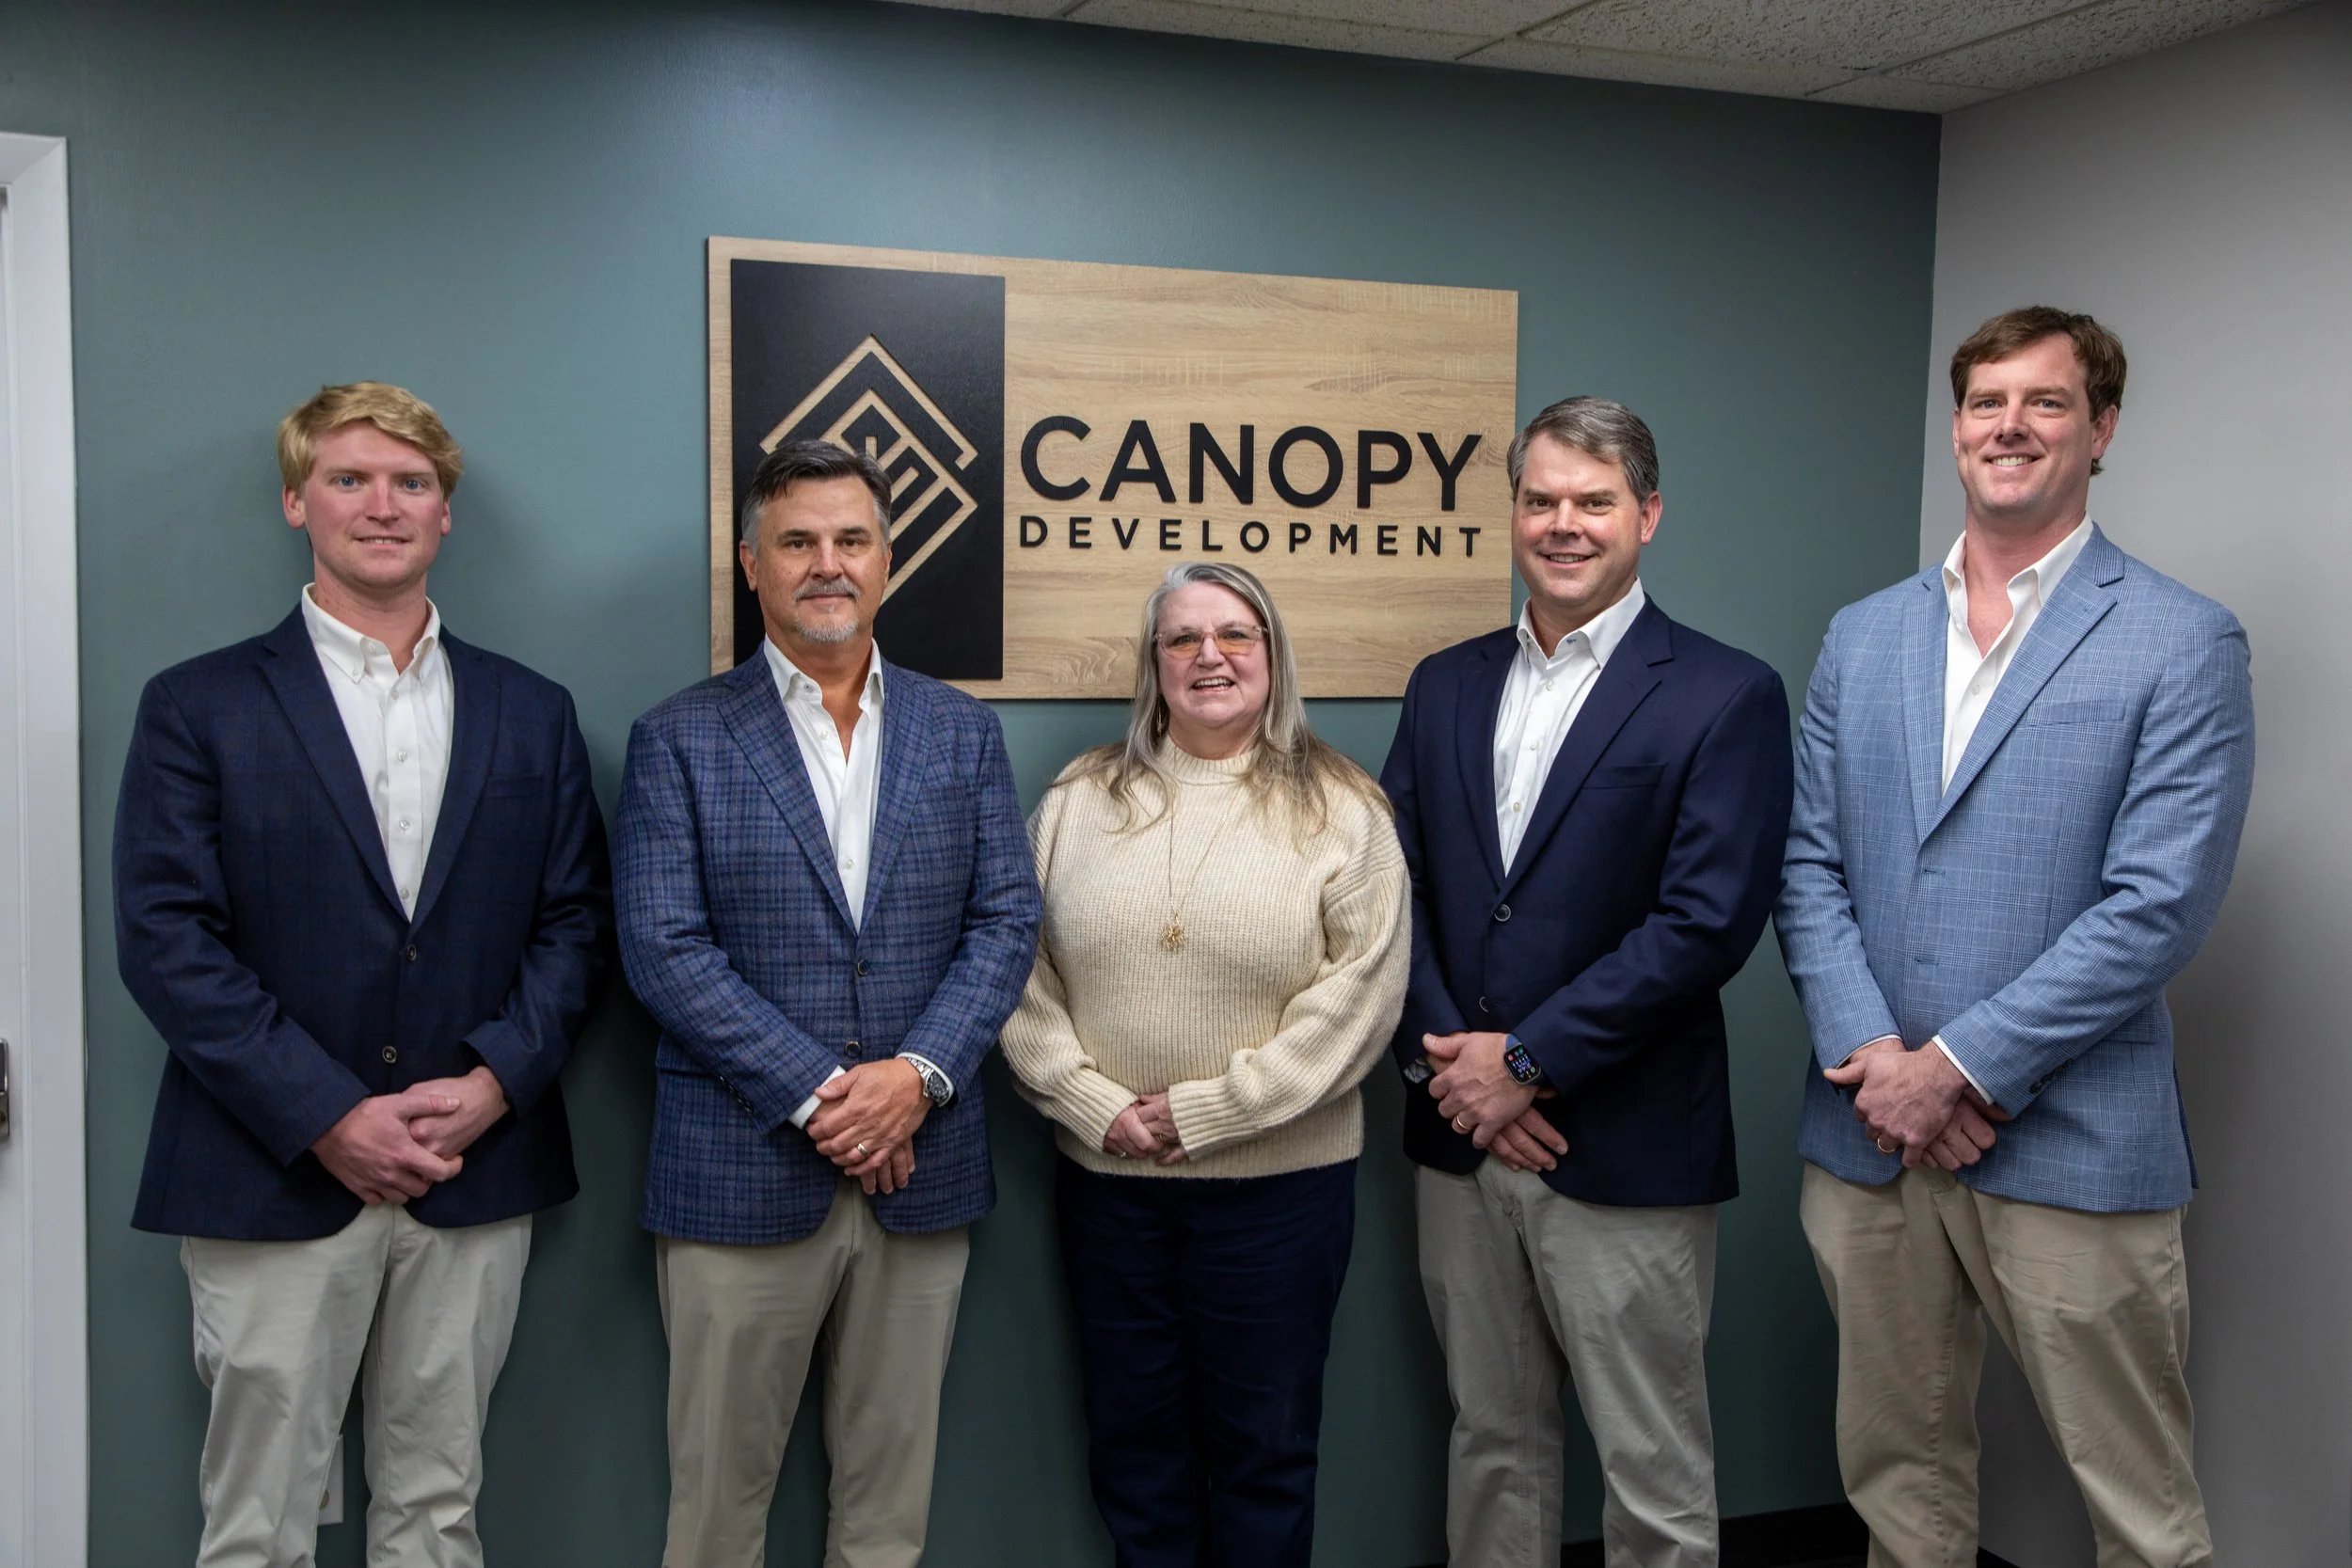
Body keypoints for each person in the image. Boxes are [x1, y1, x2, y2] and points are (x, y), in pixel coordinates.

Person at [1778, 307, 2254, 1567]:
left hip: (2073, 1138)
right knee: (1897, 1478)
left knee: (2139, 1504)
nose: (2011, 425)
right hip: (1869, 1132)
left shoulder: (2180, 637)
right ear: (1955, 428)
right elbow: (1808, 861)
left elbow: (2160, 902)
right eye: (1988, 401)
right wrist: (1882, 1058)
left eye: (2046, 403)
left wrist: (1960, 1067)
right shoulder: (1864, 631)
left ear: (2101, 429)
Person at [114, 382, 612, 1568]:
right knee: (260, 1522)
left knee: (436, 1509)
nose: (381, 505)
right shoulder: (197, 704)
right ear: (296, 501)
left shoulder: (530, 712)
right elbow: (166, 938)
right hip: (266, 1170)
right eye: (348, 478)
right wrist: (329, 1112)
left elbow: (576, 923)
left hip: (471, 1165)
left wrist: (494, 1081)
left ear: (445, 513)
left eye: (411, 483)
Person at [1380, 397, 1792, 1568]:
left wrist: (1524, 1062)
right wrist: (1453, 1065)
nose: (1564, 523)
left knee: (1652, 1462)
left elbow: (1706, 924)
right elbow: (1387, 889)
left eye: (1593, 500)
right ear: (1512, 512)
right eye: (1541, 498)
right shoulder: (1445, 682)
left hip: (1621, 1139)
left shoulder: (1724, 692)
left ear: (1647, 515)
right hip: (1461, 1139)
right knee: (1492, 1438)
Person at [614, 438, 1041, 1568]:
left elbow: (1005, 923)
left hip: (922, 1162)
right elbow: (663, 948)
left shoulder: (961, 732)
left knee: (888, 1513)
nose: (826, 564)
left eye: (851, 539)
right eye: (796, 541)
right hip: (741, 1172)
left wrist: (916, 1078)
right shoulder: (678, 737)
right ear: (751, 564)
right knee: (716, 1513)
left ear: (887, 560)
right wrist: (825, 1096)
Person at [999, 561, 1408, 1568]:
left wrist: (1208, 1110)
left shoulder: (1344, 807)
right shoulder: (1078, 799)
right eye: (1181, 638)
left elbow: (1361, 997)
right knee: (1135, 1451)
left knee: (1263, 1451)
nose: (1209, 656)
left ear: (1272, 655)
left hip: (1280, 1194)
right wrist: (1095, 1103)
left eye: (1235, 633)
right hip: (1110, 1187)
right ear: (1153, 663)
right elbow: (1014, 972)